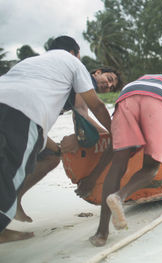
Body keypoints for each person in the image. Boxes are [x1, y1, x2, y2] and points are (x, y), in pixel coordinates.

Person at [0, 35, 112, 243]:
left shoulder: (32, 63)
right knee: (10, 171)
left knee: (52, 155)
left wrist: (58, 147)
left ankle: (13, 204)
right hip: (22, 112)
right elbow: (90, 108)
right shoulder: (72, 63)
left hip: (12, 105)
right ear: (74, 53)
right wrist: (115, 132)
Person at [89, 74, 162, 247]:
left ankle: (101, 233)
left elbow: (111, 149)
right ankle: (119, 197)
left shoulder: (140, 79)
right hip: (159, 103)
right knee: (151, 166)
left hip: (127, 96)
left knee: (118, 163)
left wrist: (92, 177)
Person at [14, 67, 122, 223]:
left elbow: (83, 115)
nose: (109, 85)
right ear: (98, 72)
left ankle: (14, 200)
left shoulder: (82, 86)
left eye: (112, 87)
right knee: (41, 157)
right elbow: (83, 113)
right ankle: (10, 206)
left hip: (28, 117)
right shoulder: (83, 78)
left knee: (51, 156)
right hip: (22, 115)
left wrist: (106, 135)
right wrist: (113, 135)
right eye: (109, 79)